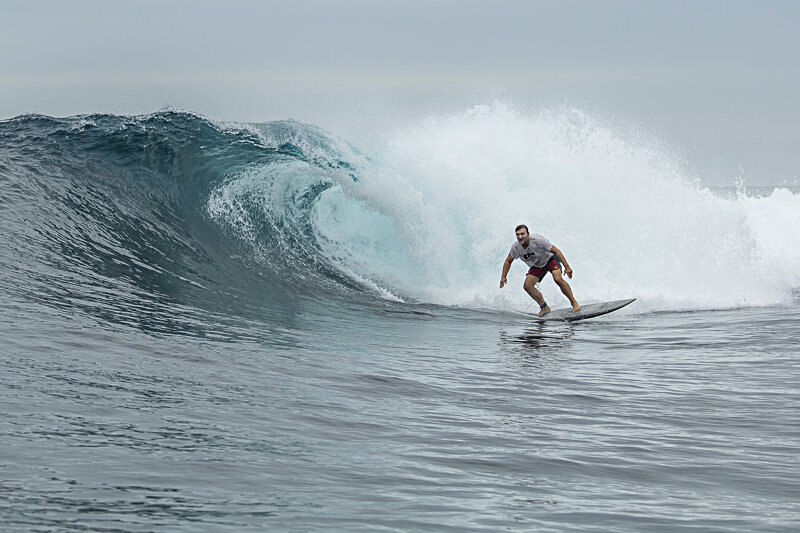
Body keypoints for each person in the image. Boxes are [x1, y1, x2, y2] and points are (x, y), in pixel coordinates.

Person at [500, 224, 580, 317]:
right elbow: (508, 261)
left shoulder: (538, 241)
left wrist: (567, 267)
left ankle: (574, 303)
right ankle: (544, 307)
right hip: (537, 265)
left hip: (550, 259)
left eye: (522, 234)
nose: (520, 237)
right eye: (518, 235)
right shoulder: (515, 247)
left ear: (528, 234)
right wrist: (503, 277)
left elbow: (556, 251)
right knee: (527, 286)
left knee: (557, 278)